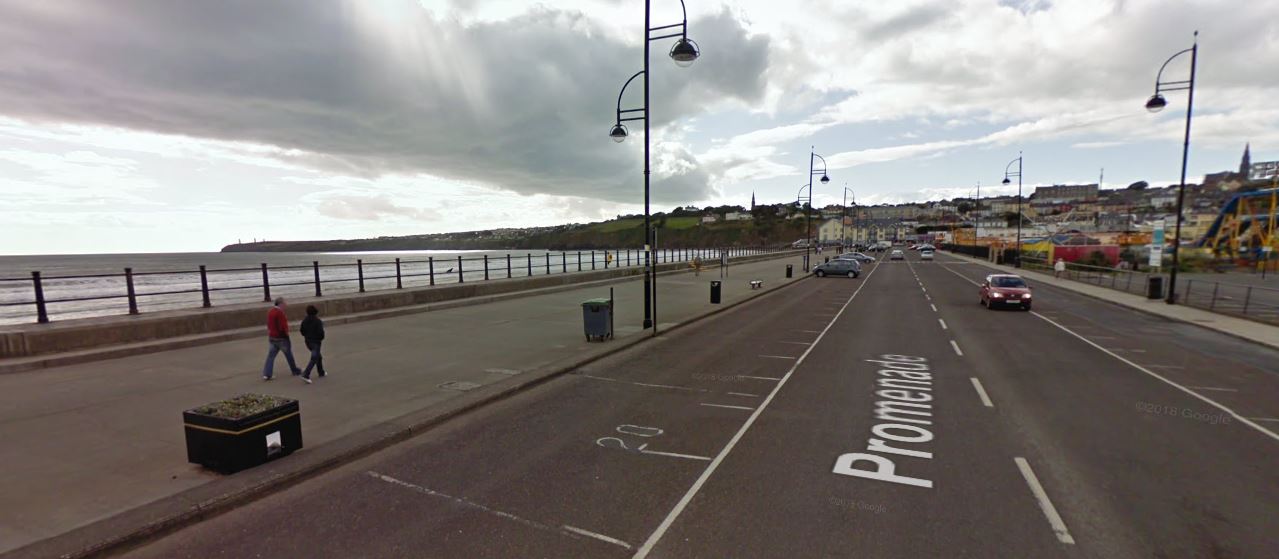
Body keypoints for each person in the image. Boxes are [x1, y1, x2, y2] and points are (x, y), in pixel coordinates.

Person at [262, 297, 303, 381]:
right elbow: (282, 326)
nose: (285, 305)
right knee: (289, 354)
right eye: (284, 303)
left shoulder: (271, 312)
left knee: (271, 356)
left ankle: (267, 374)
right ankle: (294, 370)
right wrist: (286, 335)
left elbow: (269, 324)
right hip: (281, 338)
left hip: (272, 337)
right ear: (280, 304)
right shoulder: (280, 313)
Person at [300, 305, 327, 381]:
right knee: (314, 358)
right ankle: (306, 374)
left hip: (308, 341)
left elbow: (302, 331)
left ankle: (321, 372)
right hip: (315, 342)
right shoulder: (318, 321)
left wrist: (306, 336)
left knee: (318, 357)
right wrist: (320, 338)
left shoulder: (304, 320)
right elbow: (321, 332)